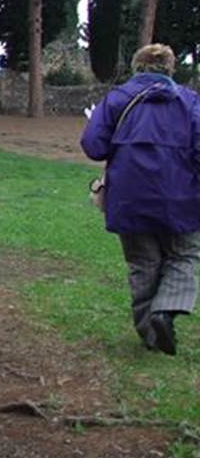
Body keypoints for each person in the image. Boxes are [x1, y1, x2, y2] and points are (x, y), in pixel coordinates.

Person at [81, 44, 200, 356]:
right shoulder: (190, 103)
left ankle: (151, 334)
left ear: (137, 67)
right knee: (183, 255)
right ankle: (167, 310)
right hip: (181, 195)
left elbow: (93, 146)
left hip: (129, 196)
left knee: (142, 262)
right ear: (170, 69)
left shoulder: (117, 100)